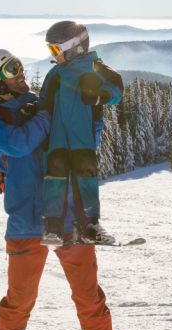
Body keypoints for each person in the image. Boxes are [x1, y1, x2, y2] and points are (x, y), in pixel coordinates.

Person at [0, 49, 119, 330]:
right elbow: (19, 144)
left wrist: (92, 112)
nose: (21, 72)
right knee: (19, 296)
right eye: (12, 69)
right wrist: (46, 113)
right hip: (25, 221)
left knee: (88, 293)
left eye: (19, 65)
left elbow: (86, 139)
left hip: (68, 216)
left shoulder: (42, 104)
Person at [40, 21, 123, 246]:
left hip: (83, 136)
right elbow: (44, 101)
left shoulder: (95, 68)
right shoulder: (55, 74)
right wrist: (34, 112)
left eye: (55, 49)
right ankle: (52, 225)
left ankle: (89, 225)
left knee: (85, 176)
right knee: (55, 176)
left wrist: (99, 96)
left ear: (74, 47)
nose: (53, 55)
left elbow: (117, 89)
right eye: (50, 49)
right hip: (57, 137)